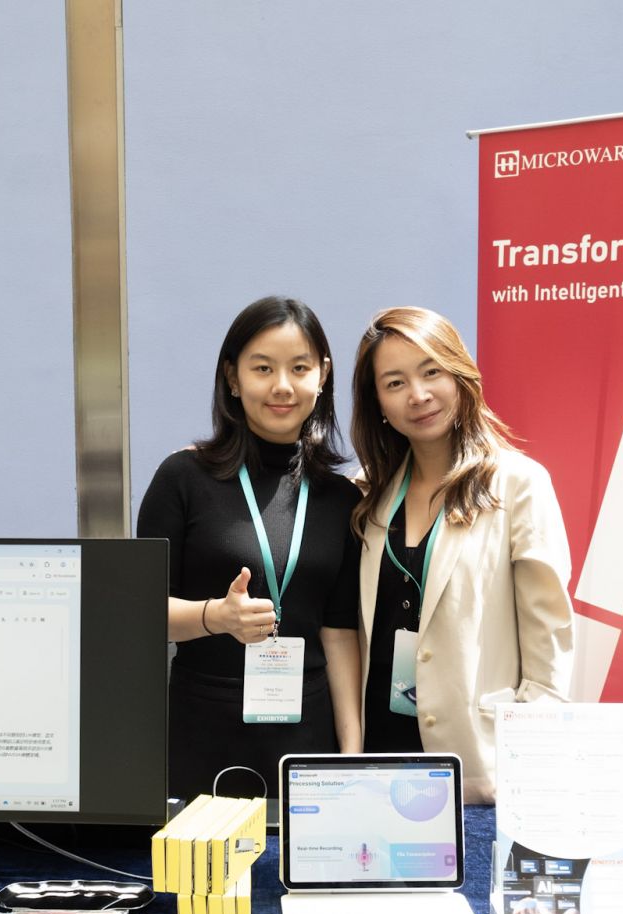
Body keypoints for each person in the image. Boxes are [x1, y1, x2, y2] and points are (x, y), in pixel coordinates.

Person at [138, 297, 362, 800]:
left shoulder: (341, 497)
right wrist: (215, 616)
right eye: (263, 368)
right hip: (202, 735)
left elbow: (339, 633)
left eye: (299, 368)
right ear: (233, 378)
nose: (282, 386)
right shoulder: (183, 478)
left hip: (308, 739)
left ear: (322, 376)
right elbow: (139, 615)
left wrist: (351, 749)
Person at [350, 306, 574, 803]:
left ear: (459, 374)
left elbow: (550, 640)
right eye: (395, 383)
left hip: (478, 765)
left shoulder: (517, 484)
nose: (418, 395)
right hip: (377, 762)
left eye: (431, 372)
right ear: (377, 402)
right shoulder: (364, 493)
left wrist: (532, 759)